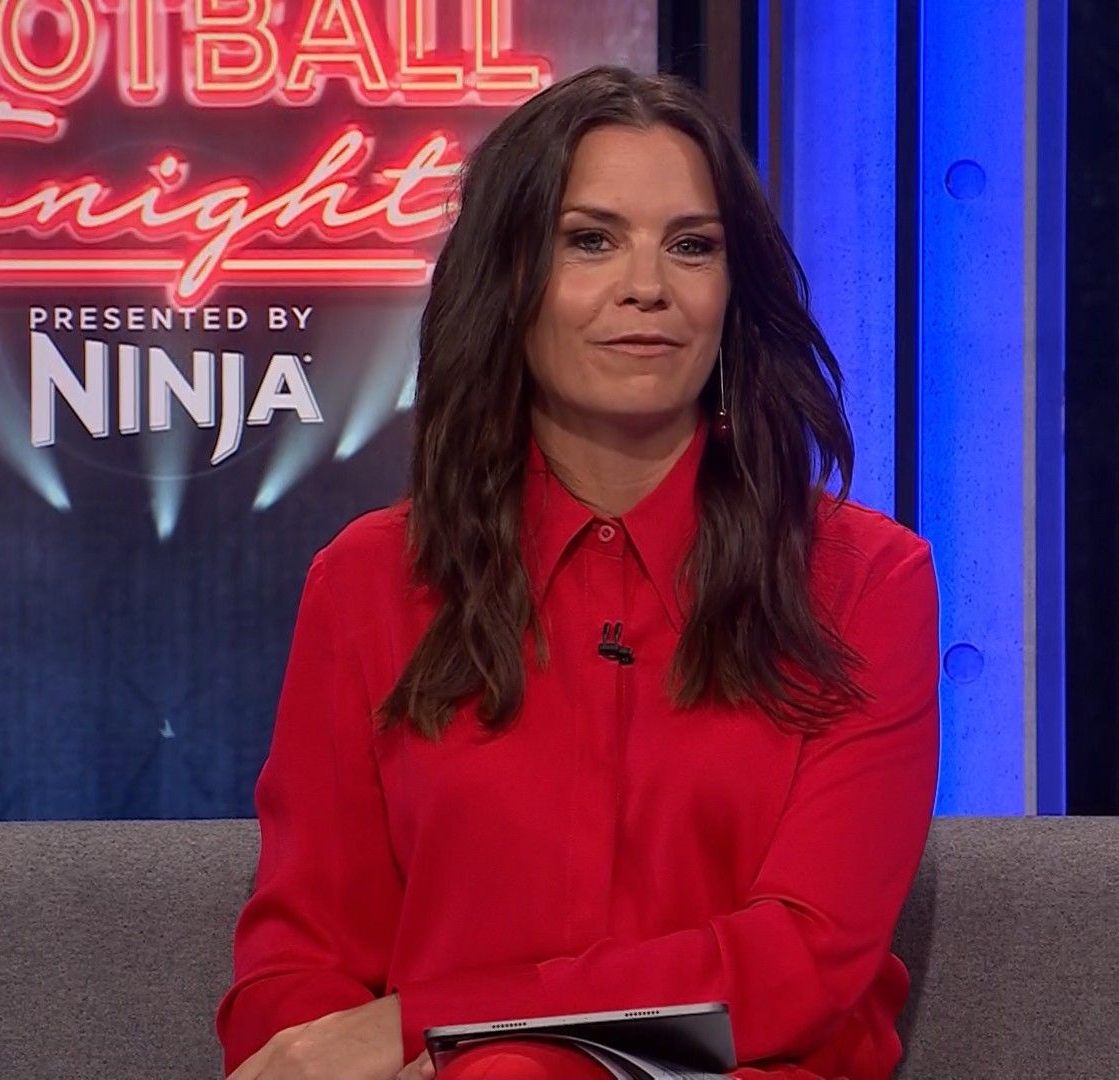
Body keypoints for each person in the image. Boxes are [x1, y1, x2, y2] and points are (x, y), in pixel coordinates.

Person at [216, 65, 940, 1080]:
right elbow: (300, 962)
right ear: (508, 278)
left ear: (733, 292)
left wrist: (436, 1024)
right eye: (591, 240)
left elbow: (801, 962)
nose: (648, 286)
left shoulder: (865, 581)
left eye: (692, 246)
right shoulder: (369, 582)